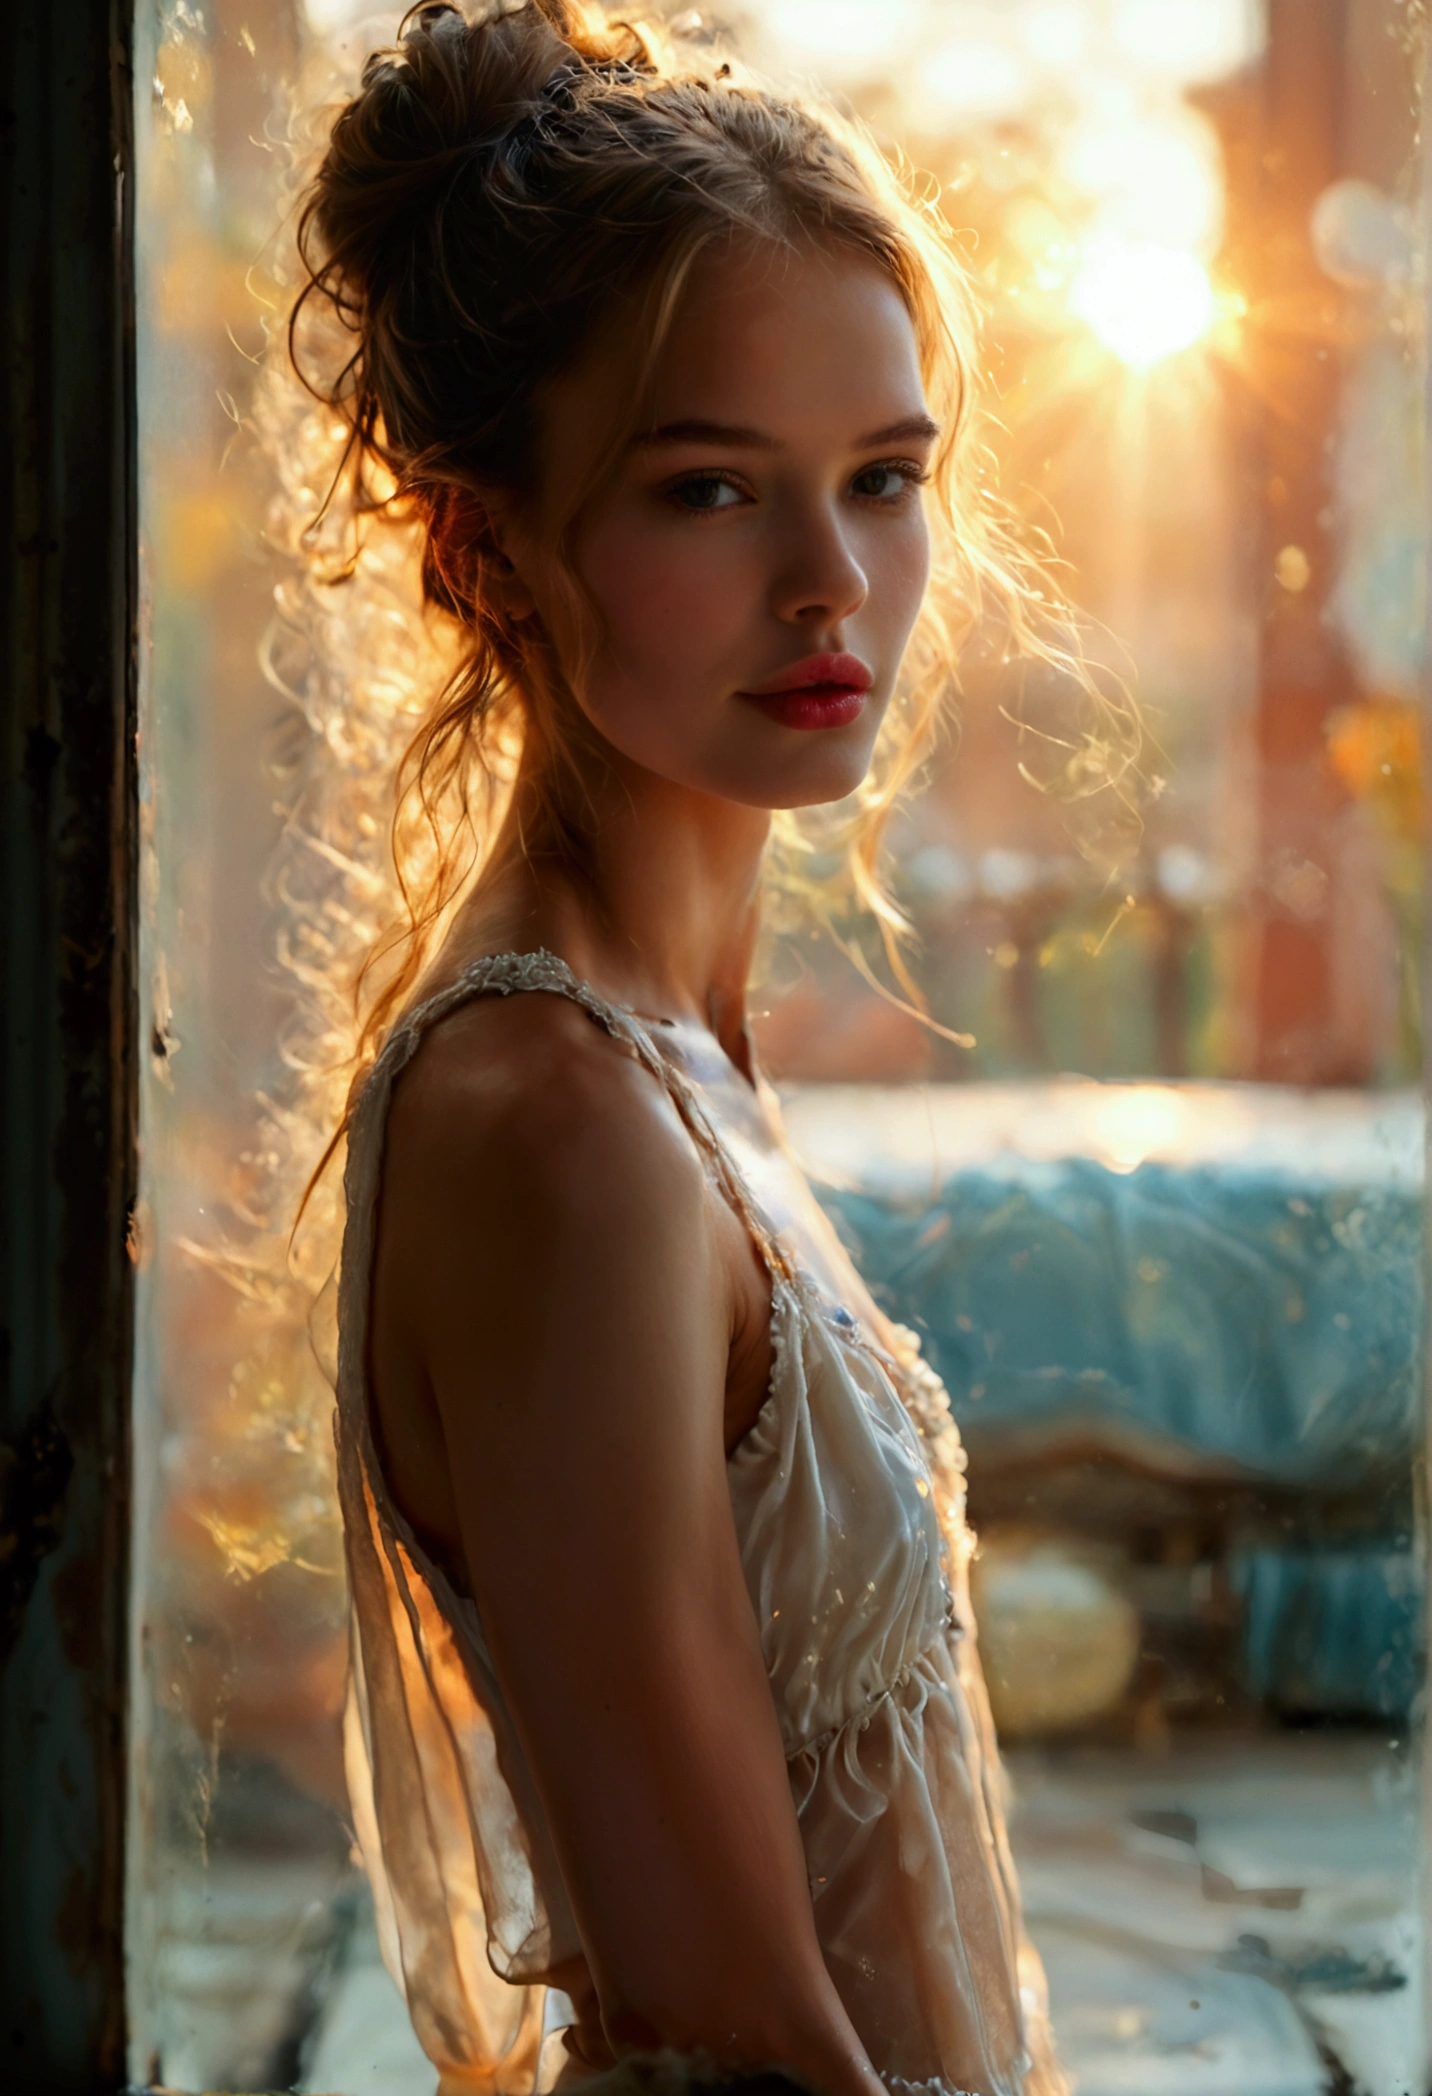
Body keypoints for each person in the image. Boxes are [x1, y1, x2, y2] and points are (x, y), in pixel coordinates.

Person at [294, 2, 1073, 2089]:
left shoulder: (662, 1062)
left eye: (883, 479)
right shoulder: (551, 1124)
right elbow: (728, 2023)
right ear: (485, 550)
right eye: (711, 488)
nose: (834, 585)